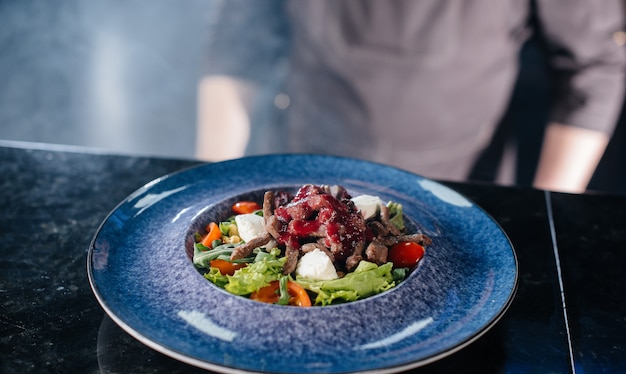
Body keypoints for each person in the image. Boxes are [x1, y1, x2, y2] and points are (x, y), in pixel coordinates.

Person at [196, 0, 626, 193]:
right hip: (299, 166)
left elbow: (595, 68)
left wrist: (548, 210)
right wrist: (210, 188)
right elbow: (239, 42)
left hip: (460, 185)